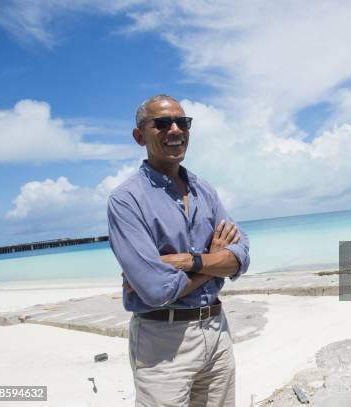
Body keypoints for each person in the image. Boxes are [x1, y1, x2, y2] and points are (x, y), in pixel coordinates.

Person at [107, 94, 250, 407]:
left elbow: (242, 254)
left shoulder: (204, 189)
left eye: (182, 122)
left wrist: (191, 261)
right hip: (163, 341)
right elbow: (156, 290)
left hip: (217, 331)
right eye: (162, 123)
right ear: (139, 136)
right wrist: (214, 262)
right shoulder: (126, 200)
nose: (175, 129)